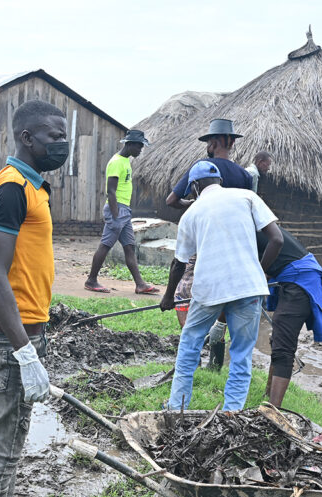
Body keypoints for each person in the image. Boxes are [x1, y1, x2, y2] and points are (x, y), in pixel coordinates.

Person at [0, 100, 68, 497]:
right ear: (28, 138)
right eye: (54, 136)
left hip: (28, 329)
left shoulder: (33, 187)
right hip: (16, 338)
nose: (62, 144)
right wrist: (25, 352)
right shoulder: (12, 187)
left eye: (64, 136)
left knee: (12, 440)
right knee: (5, 447)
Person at [160, 160, 283, 411]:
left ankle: (176, 407)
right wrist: (257, 272)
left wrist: (168, 297)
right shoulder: (247, 196)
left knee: (189, 346)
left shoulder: (191, 214)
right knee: (241, 354)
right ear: (220, 182)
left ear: (194, 187)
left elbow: (178, 264)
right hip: (249, 289)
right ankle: (232, 415)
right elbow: (277, 239)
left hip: (209, 290)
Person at [166, 119, 256, 369]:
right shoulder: (244, 175)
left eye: (208, 141)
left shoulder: (203, 167)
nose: (208, 145)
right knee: (226, 297)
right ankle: (216, 357)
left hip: (204, 243)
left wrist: (193, 204)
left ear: (213, 142)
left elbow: (172, 200)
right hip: (234, 247)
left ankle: (191, 349)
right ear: (233, 142)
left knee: (183, 292)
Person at [260, 226, 322, 407]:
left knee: (283, 346)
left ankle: (273, 410)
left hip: (301, 280)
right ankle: (268, 394)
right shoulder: (261, 226)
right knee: (278, 337)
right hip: (297, 277)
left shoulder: (250, 229)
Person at [84, 129, 159, 295]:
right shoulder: (116, 162)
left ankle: (140, 284)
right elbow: (111, 191)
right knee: (105, 245)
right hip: (117, 209)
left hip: (124, 210)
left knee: (129, 247)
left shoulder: (126, 161)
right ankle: (91, 280)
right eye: (139, 146)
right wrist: (115, 214)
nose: (140, 150)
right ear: (130, 144)